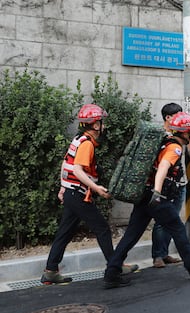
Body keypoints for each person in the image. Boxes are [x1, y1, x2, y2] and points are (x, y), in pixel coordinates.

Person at [103, 112, 190, 288]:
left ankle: (111, 272)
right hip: (156, 198)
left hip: (144, 196)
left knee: (132, 234)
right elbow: (163, 168)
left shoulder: (163, 142)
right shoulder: (174, 148)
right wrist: (157, 192)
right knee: (177, 229)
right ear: (184, 133)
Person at [42, 104, 137, 284]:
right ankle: (115, 267)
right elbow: (77, 170)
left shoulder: (78, 139)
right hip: (78, 195)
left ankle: (50, 271)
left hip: (71, 193)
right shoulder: (87, 145)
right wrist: (97, 188)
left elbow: (66, 164)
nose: (104, 126)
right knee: (102, 229)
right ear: (95, 125)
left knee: (64, 232)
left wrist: (63, 187)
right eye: (102, 122)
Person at [151, 103, 190, 268]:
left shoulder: (181, 135)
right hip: (165, 188)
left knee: (173, 220)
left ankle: (164, 254)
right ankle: (158, 255)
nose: (181, 118)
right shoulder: (161, 136)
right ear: (168, 118)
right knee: (162, 222)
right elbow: (163, 165)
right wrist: (157, 190)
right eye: (177, 115)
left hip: (180, 184)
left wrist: (188, 133)